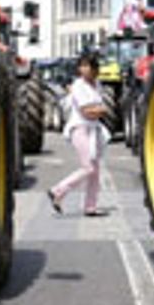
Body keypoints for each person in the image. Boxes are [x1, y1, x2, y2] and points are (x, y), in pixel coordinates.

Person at [47, 52, 110, 216]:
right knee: (88, 167)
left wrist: (99, 110)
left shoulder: (97, 85)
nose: (85, 69)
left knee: (95, 170)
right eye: (82, 66)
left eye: (88, 66)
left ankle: (90, 206)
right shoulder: (78, 86)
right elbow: (87, 111)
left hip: (94, 130)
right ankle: (57, 190)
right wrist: (101, 110)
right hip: (80, 128)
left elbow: (99, 108)